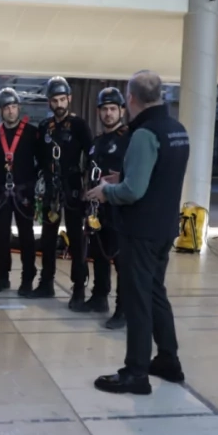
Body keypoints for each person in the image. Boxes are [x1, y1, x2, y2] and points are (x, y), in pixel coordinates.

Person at [86, 70, 189, 395]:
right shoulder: (177, 130)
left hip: (140, 230)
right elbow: (160, 175)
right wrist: (125, 177)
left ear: (131, 99)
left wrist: (106, 191)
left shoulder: (145, 133)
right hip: (164, 227)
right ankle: (169, 360)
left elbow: (133, 192)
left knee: (137, 300)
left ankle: (136, 373)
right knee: (155, 291)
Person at [71, 87, 130, 330]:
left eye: (113, 109)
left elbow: (134, 174)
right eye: (104, 109)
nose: (108, 113)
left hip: (119, 208)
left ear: (122, 111)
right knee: (98, 254)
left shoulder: (129, 139)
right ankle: (99, 297)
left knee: (120, 260)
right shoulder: (96, 142)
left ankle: (123, 309)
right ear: (98, 112)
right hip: (97, 209)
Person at [33, 77, 92, 308]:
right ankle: (46, 283)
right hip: (51, 188)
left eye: (62, 99)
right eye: (54, 100)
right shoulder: (44, 127)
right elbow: (39, 157)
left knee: (76, 240)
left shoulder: (79, 126)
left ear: (69, 98)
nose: (58, 104)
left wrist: (88, 185)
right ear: (49, 101)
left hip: (73, 186)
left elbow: (91, 156)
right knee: (48, 239)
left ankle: (78, 290)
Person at [0, 87, 39, 296]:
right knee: (1, 237)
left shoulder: (31, 133)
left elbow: (39, 161)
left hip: (24, 192)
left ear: (19, 108)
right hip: (2, 193)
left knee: (26, 236)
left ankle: (27, 278)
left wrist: (30, 183)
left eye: (14, 107)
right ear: (1, 110)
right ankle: (2, 277)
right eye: (7, 107)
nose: (11, 111)